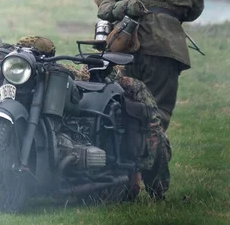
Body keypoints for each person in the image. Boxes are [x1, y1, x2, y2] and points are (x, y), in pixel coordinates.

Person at [18, 36, 171, 200]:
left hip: (111, 175)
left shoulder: (128, 85)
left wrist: (150, 183)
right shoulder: (31, 81)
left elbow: (155, 132)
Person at [94, 0, 204, 130]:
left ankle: (120, 157)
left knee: (118, 105)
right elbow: (194, 10)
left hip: (121, 46)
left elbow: (102, 3)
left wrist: (126, 6)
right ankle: (152, 159)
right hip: (164, 48)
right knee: (157, 113)